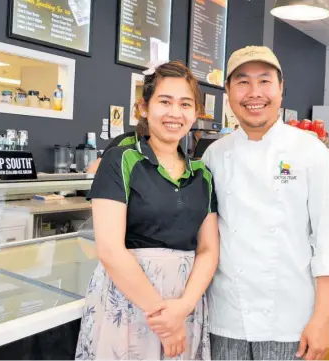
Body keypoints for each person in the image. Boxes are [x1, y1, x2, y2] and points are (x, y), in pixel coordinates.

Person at [202, 46, 329, 360]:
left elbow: (328, 239)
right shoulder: (213, 155)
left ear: (281, 89)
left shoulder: (310, 150)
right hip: (225, 318)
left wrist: (323, 318)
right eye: (242, 82)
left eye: (264, 81)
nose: (254, 93)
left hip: (290, 321)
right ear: (228, 92)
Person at [75, 61, 220, 360]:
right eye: (164, 102)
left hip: (184, 306)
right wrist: (164, 320)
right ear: (144, 107)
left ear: (195, 113)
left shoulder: (202, 174)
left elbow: (208, 249)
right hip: (130, 302)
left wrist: (182, 308)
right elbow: (110, 250)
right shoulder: (121, 161)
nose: (175, 113)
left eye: (185, 104)